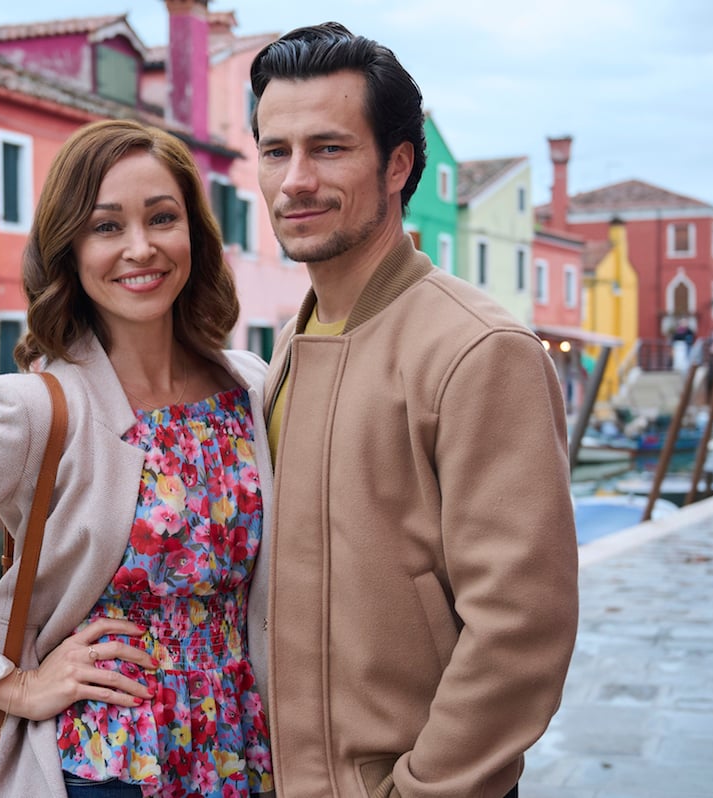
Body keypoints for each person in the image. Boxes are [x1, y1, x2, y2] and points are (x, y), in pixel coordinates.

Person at [0, 119, 276, 797]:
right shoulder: (33, 409)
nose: (141, 247)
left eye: (162, 218)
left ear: (195, 236)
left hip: (248, 753)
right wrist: (14, 684)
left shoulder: (251, 386)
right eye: (106, 226)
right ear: (69, 248)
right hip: (105, 768)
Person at [248, 22, 579, 798]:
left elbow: (521, 629)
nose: (295, 180)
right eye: (275, 151)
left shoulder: (480, 349)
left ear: (398, 165)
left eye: (328, 148)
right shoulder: (292, 340)